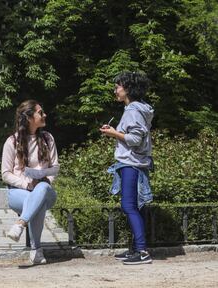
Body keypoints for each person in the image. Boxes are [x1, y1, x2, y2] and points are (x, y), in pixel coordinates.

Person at [100, 71, 154, 265]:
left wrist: (114, 133)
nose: (115, 90)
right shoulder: (138, 108)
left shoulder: (133, 110)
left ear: (128, 89)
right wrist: (115, 132)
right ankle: (135, 249)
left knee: (128, 206)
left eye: (118, 86)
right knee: (135, 207)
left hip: (131, 163)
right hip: (133, 163)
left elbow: (134, 139)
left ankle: (142, 252)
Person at [1, 100, 59, 265]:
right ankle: (36, 251)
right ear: (29, 117)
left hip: (45, 191)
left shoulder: (48, 138)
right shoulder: (12, 141)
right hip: (18, 192)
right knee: (35, 203)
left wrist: (44, 178)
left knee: (41, 189)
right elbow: (5, 174)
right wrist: (26, 185)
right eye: (40, 112)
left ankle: (21, 223)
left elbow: (54, 167)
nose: (44, 115)